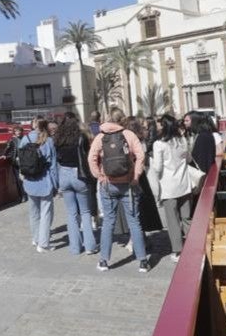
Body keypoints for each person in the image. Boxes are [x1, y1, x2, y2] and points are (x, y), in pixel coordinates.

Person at [88, 108, 150, 273]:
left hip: (108, 185)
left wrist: (99, 176)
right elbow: (140, 155)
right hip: (129, 184)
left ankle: (103, 261)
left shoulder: (100, 137)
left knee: (108, 222)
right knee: (134, 222)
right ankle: (142, 261)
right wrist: (136, 175)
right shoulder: (129, 135)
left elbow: (91, 158)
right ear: (121, 119)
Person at [150, 114, 198, 263]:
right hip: (184, 184)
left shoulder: (159, 144)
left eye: (159, 124)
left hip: (169, 186)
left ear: (164, 126)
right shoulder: (181, 140)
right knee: (186, 218)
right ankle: (194, 246)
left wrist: (153, 171)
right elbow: (189, 159)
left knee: (172, 220)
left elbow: (157, 168)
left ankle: (177, 250)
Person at [53, 115, 96, 256]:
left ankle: (75, 247)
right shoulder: (81, 138)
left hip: (64, 174)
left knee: (71, 213)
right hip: (79, 174)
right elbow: (86, 155)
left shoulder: (58, 139)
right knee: (85, 212)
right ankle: (90, 246)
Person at [18, 117, 58, 252]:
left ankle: (35, 239)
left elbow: (20, 160)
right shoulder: (49, 141)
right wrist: (56, 184)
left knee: (33, 212)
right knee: (46, 213)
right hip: (45, 180)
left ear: (33, 125)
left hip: (29, 180)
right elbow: (53, 165)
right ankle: (44, 243)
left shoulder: (25, 139)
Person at [2, 124, 27, 203]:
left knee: (26, 179)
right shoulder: (12, 140)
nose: (18, 132)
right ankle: (22, 196)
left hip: (26, 162)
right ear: (14, 132)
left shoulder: (25, 139)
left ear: (22, 132)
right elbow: (7, 148)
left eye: (19, 131)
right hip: (16, 162)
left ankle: (28, 194)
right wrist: (4, 155)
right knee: (18, 180)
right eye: (16, 131)